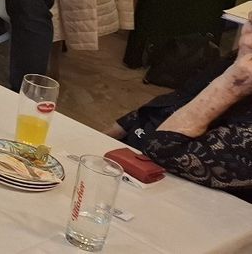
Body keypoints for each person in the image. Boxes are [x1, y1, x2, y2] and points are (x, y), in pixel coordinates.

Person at [108, 21, 252, 202]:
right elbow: (171, 103)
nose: (247, 42)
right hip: (133, 165)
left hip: (186, 201)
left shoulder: (240, 75)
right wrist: (99, 139)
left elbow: (162, 150)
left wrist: (231, 86)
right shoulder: (237, 62)